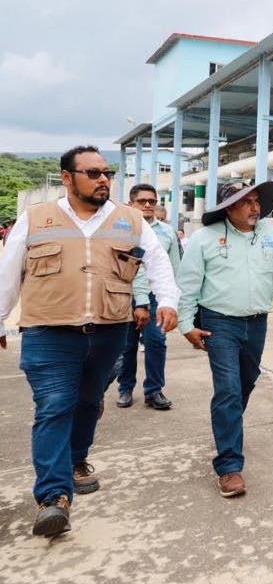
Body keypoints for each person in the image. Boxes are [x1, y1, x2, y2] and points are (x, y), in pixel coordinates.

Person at [0, 146, 178, 537]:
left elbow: (158, 261)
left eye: (107, 173)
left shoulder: (129, 220)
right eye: (93, 173)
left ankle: (76, 458)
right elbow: (8, 273)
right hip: (48, 333)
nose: (103, 180)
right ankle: (54, 498)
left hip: (109, 331)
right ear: (67, 178)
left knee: (87, 402)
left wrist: (167, 301)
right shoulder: (36, 219)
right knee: (53, 406)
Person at [176, 180, 273, 498]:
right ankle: (229, 466)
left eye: (257, 201)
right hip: (219, 322)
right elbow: (188, 283)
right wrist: (186, 324)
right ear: (228, 207)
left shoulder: (272, 237)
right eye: (246, 201)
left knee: (246, 381)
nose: (255, 207)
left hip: (257, 323)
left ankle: (228, 428)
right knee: (228, 389)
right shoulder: (205, 239)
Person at [116, 183, 182, 410]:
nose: (147, 205)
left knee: (156, 342)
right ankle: (125, 388)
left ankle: (154, 390)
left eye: (152, 201)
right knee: (127, 345)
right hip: (127, 295)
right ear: (130, 204)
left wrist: (173, 301)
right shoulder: (121, 231)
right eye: (142, 201)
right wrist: (138, 302)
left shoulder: (166, 233)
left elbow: (173, 268)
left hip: (156, 298)